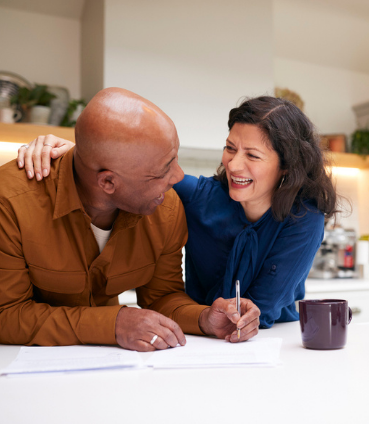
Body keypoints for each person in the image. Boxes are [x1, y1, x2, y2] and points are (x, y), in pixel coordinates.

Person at [17, 95, 337, 329]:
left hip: (268, 339)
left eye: (252, 155)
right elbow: (125, 171)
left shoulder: (304, 218)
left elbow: (261, 309)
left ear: (287, 167)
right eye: (230, 148)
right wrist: (71, 152)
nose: (234, 164)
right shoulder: (200, 197)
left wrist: (233, 318)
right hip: (198, 333)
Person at [0, 87, 261, 351]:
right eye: (163, 170)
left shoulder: (165, 207)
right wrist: (112, 324)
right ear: (108, 182)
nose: (178, 177)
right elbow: (6, 315)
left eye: (175, 159)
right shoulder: (10, 203)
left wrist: (204, 319)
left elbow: (162, 297)